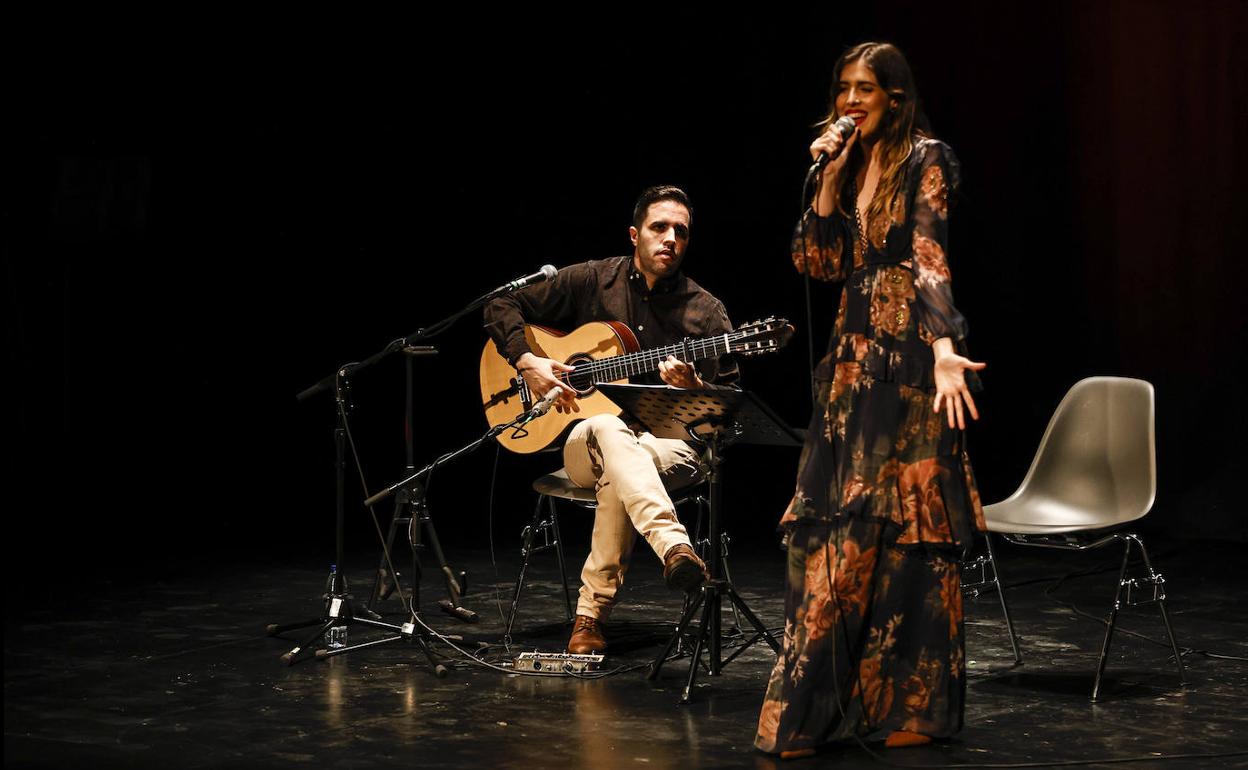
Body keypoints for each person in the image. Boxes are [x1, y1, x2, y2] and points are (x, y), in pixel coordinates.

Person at [755, 42, 987, 758]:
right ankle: (813, 710)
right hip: (853, 367)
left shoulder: (928, 158)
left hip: (913, 366)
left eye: (867, 89)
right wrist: (824, 177)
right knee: (831, 530)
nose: (853, 99)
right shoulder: (849, 161)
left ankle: (913, 708)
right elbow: (819, 262)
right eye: (844, 88)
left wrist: (945, 344)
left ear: (895, 95)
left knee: (914, 541)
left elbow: (926, 251)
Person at [484, 185, 740, 655]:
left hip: (670, 447)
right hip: (587, 444)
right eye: (659, 227)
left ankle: (589, 618)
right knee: (606, 426)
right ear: (634, 234)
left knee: (625, 464)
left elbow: (727, 410)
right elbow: (500, 306)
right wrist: (528, 362)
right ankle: (673, 547)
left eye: (681, 232)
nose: (670, 239)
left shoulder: (706, 312)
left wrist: (695, 390)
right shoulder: (593, 279)